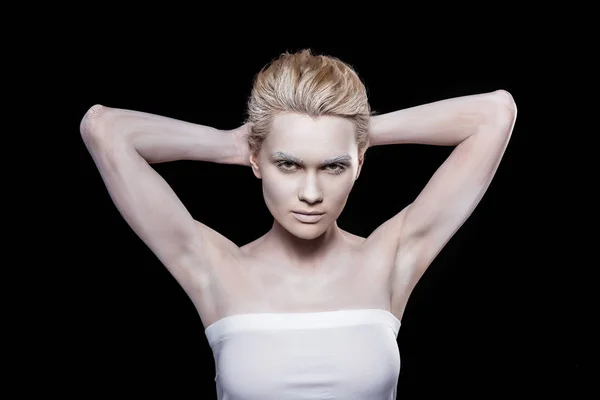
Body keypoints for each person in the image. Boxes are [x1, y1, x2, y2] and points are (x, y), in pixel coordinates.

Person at [80, 49, 517, 399]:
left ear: (359, 165)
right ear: (256, 161)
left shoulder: (390, 258)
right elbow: (105, 129)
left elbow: (495, 113)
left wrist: (353, 130)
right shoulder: (213, 266)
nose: (311, 193)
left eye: (333, 166)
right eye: (288, 164)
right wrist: (231, 142)